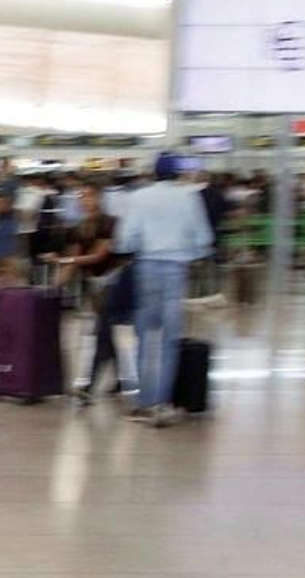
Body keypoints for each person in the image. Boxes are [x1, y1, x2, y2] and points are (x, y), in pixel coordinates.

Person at [114, 152, 214, 427]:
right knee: (170, 340)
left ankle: (144, 403)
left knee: (145, 338)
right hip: (176, 271)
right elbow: (204, 239)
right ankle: (162, 404)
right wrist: (189, 253)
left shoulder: (139, 197)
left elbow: (124, 240)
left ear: (153, 172)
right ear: (179, 173)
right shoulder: (190, 197)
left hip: (146, 269)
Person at [49, 181, 131, 403]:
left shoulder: (110, 223)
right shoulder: (77, 229)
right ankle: (121, 380)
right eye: (81, 197)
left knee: (101, 332)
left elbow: (99, 256)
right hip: (94, 286)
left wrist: (65, 259)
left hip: (115, 283)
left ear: (99, 198)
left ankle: (89, 386)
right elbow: (72, 263)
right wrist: (54, 285)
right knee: (105, 331)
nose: (85, 201)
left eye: (89, 196)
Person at [0, 158, 20, 287]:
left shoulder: (9, 184)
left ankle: (9, 286)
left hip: (7, 222)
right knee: (7, 256)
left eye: (2, 166)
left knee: (6, 257)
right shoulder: (13, 183)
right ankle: (7, 286)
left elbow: (6, 206)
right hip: (11, 222)